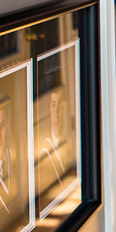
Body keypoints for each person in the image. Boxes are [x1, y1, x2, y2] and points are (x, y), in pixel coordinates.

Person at [37, 83, 76, 213]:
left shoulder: (66, 145)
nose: (57, 112)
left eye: (59, 104)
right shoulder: (43, 148)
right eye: (53, 105)